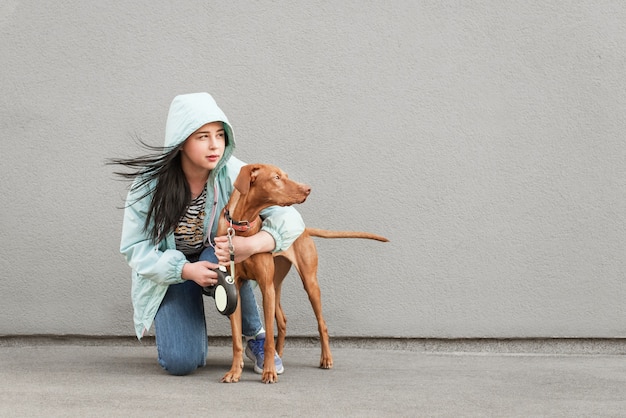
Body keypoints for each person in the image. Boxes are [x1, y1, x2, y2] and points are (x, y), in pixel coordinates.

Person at [111, 92, 305, 376]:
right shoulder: (148, 186)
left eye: (219, 135)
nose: (214, 145)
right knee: (181, 363)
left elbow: (291, 219)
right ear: (181, 141)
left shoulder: (232, 172)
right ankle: (191, 330)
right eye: (202, 137)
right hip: (172, 271)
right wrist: (185, 270)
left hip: (217, 255)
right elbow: (134, 248)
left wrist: (252, 244)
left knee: (228, 251)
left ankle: (256, 337)